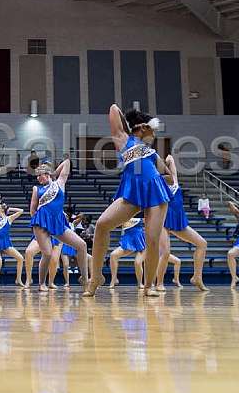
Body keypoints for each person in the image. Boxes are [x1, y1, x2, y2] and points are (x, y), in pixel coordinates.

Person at [84, 105, 170, 298]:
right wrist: (134, 121)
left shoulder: (151, 152)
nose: (154, 134)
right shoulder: (124, 140)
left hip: (155, 192)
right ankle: (96, 277)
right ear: (142, 128)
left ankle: (149, 286)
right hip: (132, 191)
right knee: (102, 224)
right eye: (151, 129)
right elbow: (113, 109)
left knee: (152, 240)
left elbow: (169, 176)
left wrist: (161, 178)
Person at [30, 158, 90, 293]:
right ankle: (41, 284)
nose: (39, 177)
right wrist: (39, 223)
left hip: (58, 222)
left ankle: (85, 279)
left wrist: (54, 173)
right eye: (37, 175)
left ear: (48, 174)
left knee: (82, 245)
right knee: (47, 253)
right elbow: (33, 210)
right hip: (41, 222)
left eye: (41, 174)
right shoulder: (37, 189)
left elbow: (67, 162)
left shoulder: (59, 183)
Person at [159, 154, 209, 291]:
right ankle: (159, 283)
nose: (168, 171)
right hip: (162, 222)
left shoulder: (174, 181)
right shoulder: (157, 184)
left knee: (202, 244)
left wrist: (170, 159)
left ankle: (197, 277)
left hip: (178, 221)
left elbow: (172, 165)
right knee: (165, 253)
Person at [0, 203, 25, 287]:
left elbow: (21, 211)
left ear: (1, 210)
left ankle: (18, 279)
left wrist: (9, 208)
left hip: (5, 242)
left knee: (20, 258)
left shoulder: (9, 218)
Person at [109, 218, 145, 288]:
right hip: (128, 239)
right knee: (113, 255)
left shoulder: (141, 212)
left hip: (141, 240)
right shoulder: (123, 215)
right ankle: (114, 280)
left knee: (137, 263)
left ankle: (140, 283)